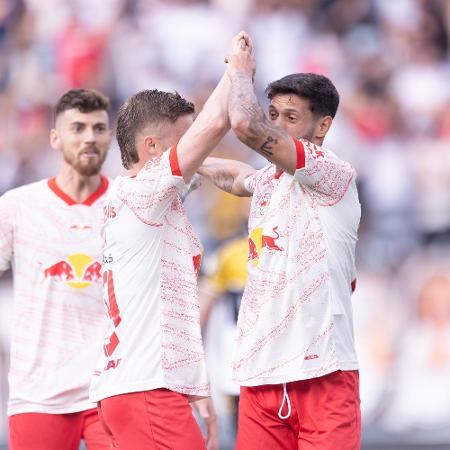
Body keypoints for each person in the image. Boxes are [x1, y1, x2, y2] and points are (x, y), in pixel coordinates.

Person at [199, 32, 361, 450]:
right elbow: (233, 177)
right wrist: (174, 158)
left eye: (291, 117)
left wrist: (240, 74)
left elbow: (246, 127)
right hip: (261, 376)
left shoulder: (331, 172)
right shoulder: (270, 177)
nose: (278, 125)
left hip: (323, 371)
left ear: (323, 125)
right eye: (275, 114)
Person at [89, 31, 250, 450]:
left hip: (139, 387)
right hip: (146, 392)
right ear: (152, 148)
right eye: (184, 141)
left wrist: (194, 389)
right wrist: (236, 71)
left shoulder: (133, 198)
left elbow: (219, 169)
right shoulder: (146, 194)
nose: (190, 153)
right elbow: (216, 125)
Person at [0, 88, 114, 450]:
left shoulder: (127, 203)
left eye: (98, 128)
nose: (89, 138)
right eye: (77, 128)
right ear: (55, 137)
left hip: (110, 389)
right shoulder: (19, 205)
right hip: (38, 392)